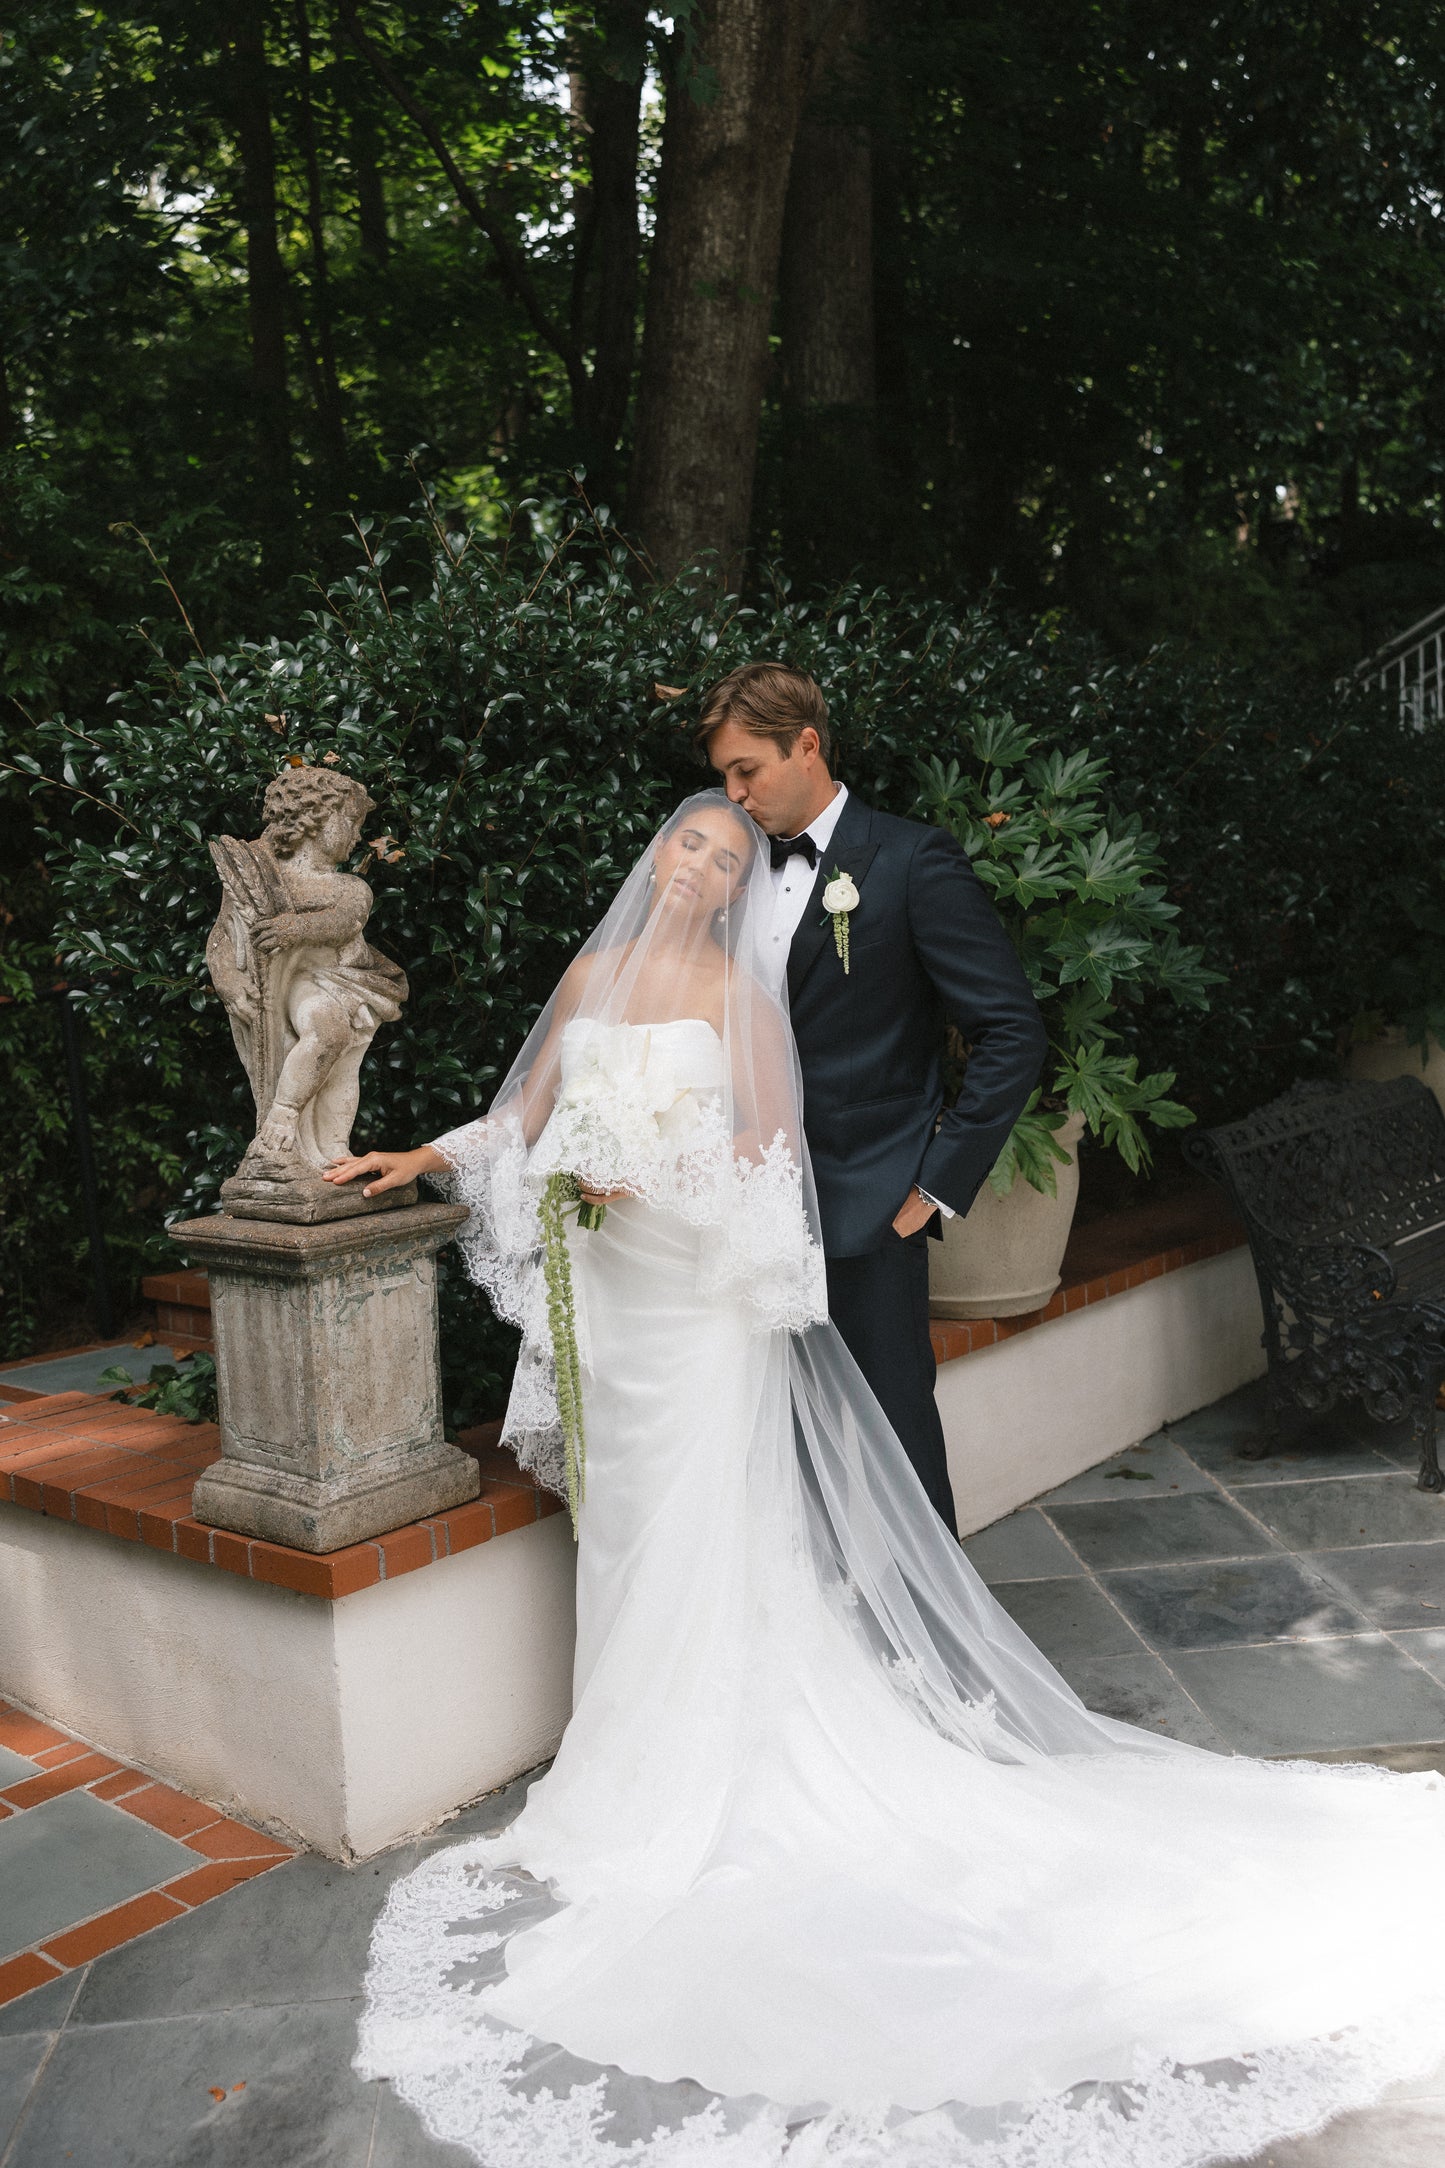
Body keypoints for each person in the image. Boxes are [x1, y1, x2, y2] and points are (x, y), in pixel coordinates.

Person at [328, 789, 1445, 2168]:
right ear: (656, 854)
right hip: (610, 1309)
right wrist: (425, 1156)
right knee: (620, 1534)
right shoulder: (592, 971)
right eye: (686, 841)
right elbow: (526, 1120)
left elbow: (762, 1162)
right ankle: (626, 1753)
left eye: (724, 857)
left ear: (742, 886)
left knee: (704, 1526)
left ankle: (703, 1766)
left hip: (691, 1304)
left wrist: (648, 1182)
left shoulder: (742, 995)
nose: (698, 865)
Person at [702, 661, 1046, 1536]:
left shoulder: (910, 860)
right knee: (768, 1444)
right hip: (739, 1213)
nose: (733, 794)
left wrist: (929, 1189)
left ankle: (930, 1654)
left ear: (806, 746)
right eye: (724, 777)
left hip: (867, 1210)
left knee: (892, 1446)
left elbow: (1011, 1032)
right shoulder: (729, 873)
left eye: (748, 770)